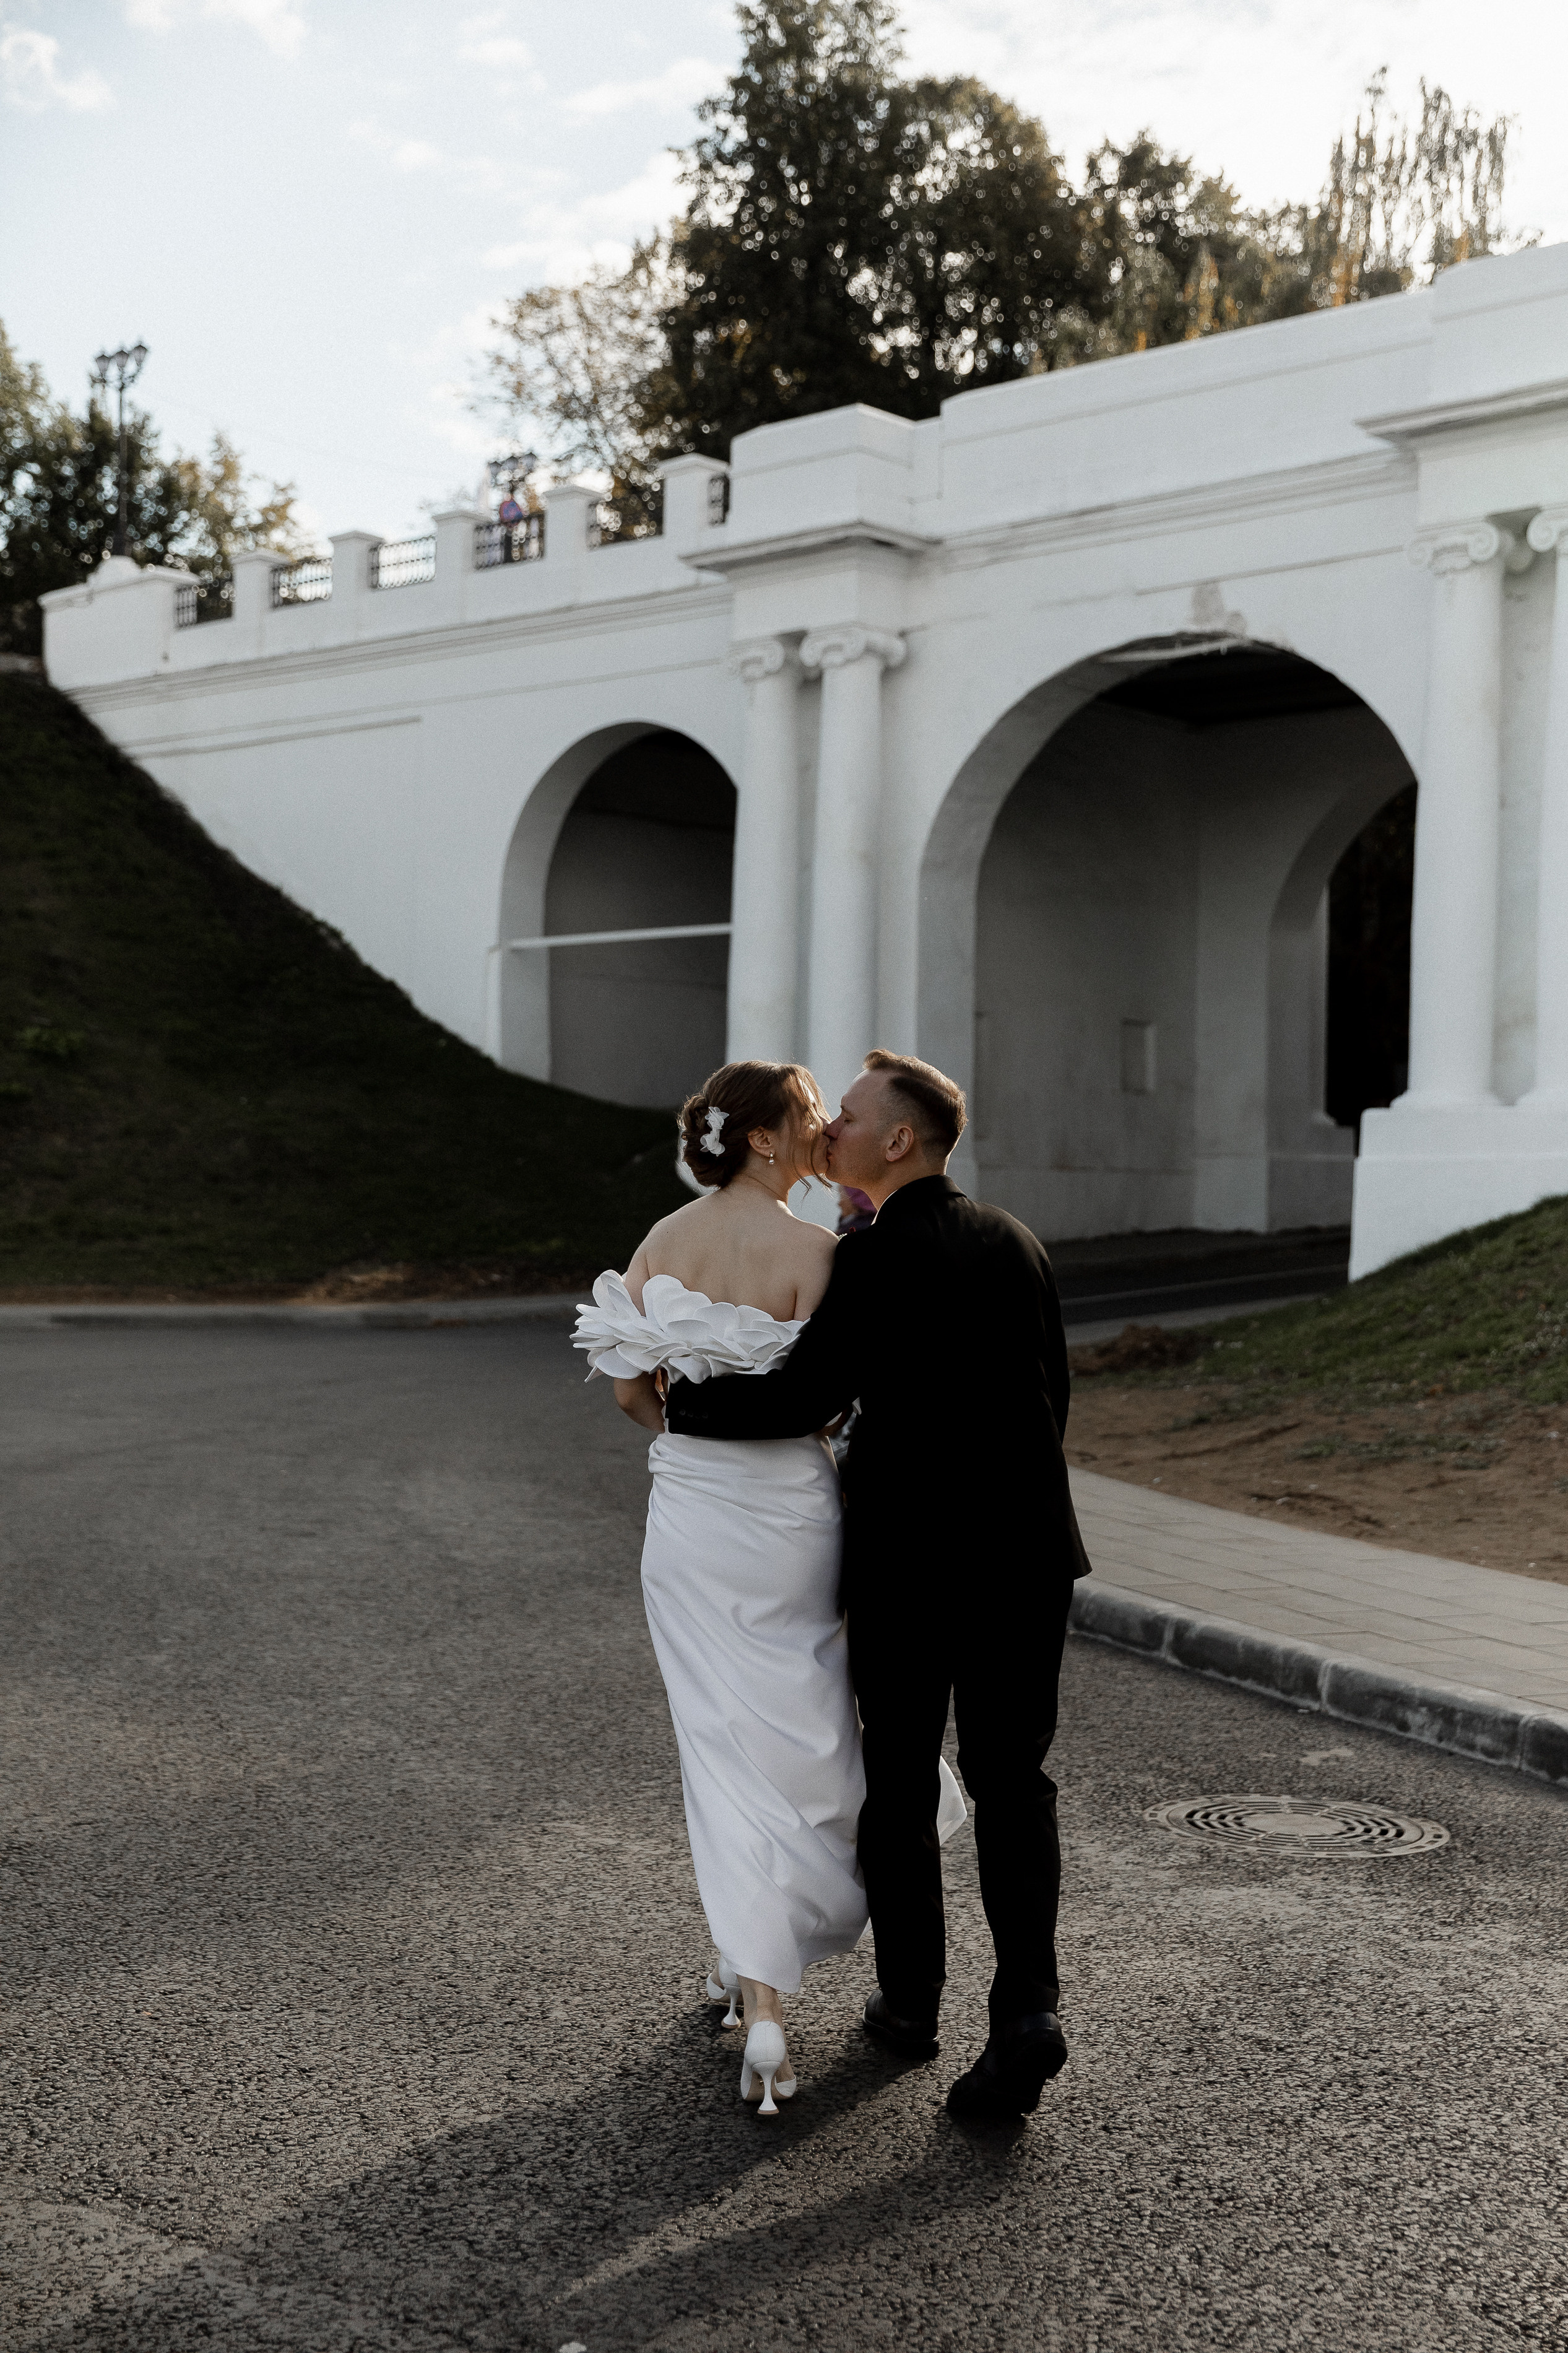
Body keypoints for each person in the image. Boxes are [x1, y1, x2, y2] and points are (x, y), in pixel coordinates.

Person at [664, 1048, 1091, 2121]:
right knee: (1013, 1782)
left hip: (912, 1566)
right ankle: (1027, 2010)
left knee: (896, 1789)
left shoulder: (873, 1255)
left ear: (898, 1141)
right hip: (1032, 1555)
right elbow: (1057, 1392)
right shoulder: (1017, 1243)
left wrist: (680, 1409)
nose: (832, 1133)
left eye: (848, 1118)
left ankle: (909, 2010)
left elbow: (800, 1395)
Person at [571, 1059, 969, 2118]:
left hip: (692, 1516)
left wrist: (694, 1456)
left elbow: (627, 1392)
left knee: (718, 1744)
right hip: (791, 1515)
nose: (820, 1132)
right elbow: (835, 1395)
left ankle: (755, 1997)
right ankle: (759, 1977)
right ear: (756, 1139)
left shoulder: (662, 1242)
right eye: (804, 1118)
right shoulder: (817, 1254)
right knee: (803, 1723)